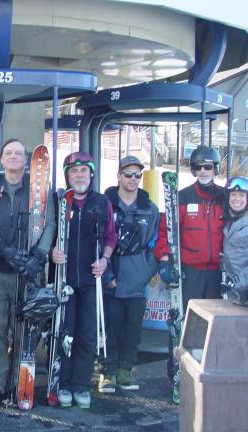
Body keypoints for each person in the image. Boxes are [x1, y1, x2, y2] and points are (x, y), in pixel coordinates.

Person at [0, 138, 55, 405]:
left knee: (25, 332)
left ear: (26, 161)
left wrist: (39, 255)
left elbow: (49, 224)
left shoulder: (39, 189)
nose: (13, 157)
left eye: (18, 153)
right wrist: (3, 250)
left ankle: (19, 383)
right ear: (1, 159)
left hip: (29, 272)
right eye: (8, 153)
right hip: (0, 271)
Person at [154, 145, 225, 403]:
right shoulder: (181, 197)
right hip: (191, 271)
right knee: (186, 326)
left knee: (215, 329)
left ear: (215, 168)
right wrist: (164, 258)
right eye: (198, 167)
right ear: (193, 169)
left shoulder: (225, 197)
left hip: (217, 272)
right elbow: (165, 231)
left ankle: (210, 376)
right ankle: (179, 376)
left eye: (208, 167)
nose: (203, 171)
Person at [51, 151, 116, 409]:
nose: (79, 176)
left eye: (83, 171)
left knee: (87, 334)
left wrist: (105, 260)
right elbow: (46, 232)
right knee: (65, 332)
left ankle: (81, 384)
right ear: (67, 175)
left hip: (91, 279)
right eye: (74, 171)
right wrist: (51, 252)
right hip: (64, 277)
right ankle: (64, 383)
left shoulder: (101, 202)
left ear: (91, 174)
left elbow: (110, 236)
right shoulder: (60, 202)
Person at [98, 156, 159, 394]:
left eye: (137, 175)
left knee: (132, 327)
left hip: (137, 278)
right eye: (128, 174)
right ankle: (107, 372)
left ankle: (125, 371)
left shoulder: (149, 208)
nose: (132, 179)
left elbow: (155, 243)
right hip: (111, 276)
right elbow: (98, 239)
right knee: (110, 327)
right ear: (119, 176)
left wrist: (147, 270)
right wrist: (106, 274)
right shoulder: (105, 204)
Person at [220, 176, 248, 306]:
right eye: (233, 195)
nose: (237, 199)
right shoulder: (229, 220)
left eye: (242, 195)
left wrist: (238, 280)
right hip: (236, 293)